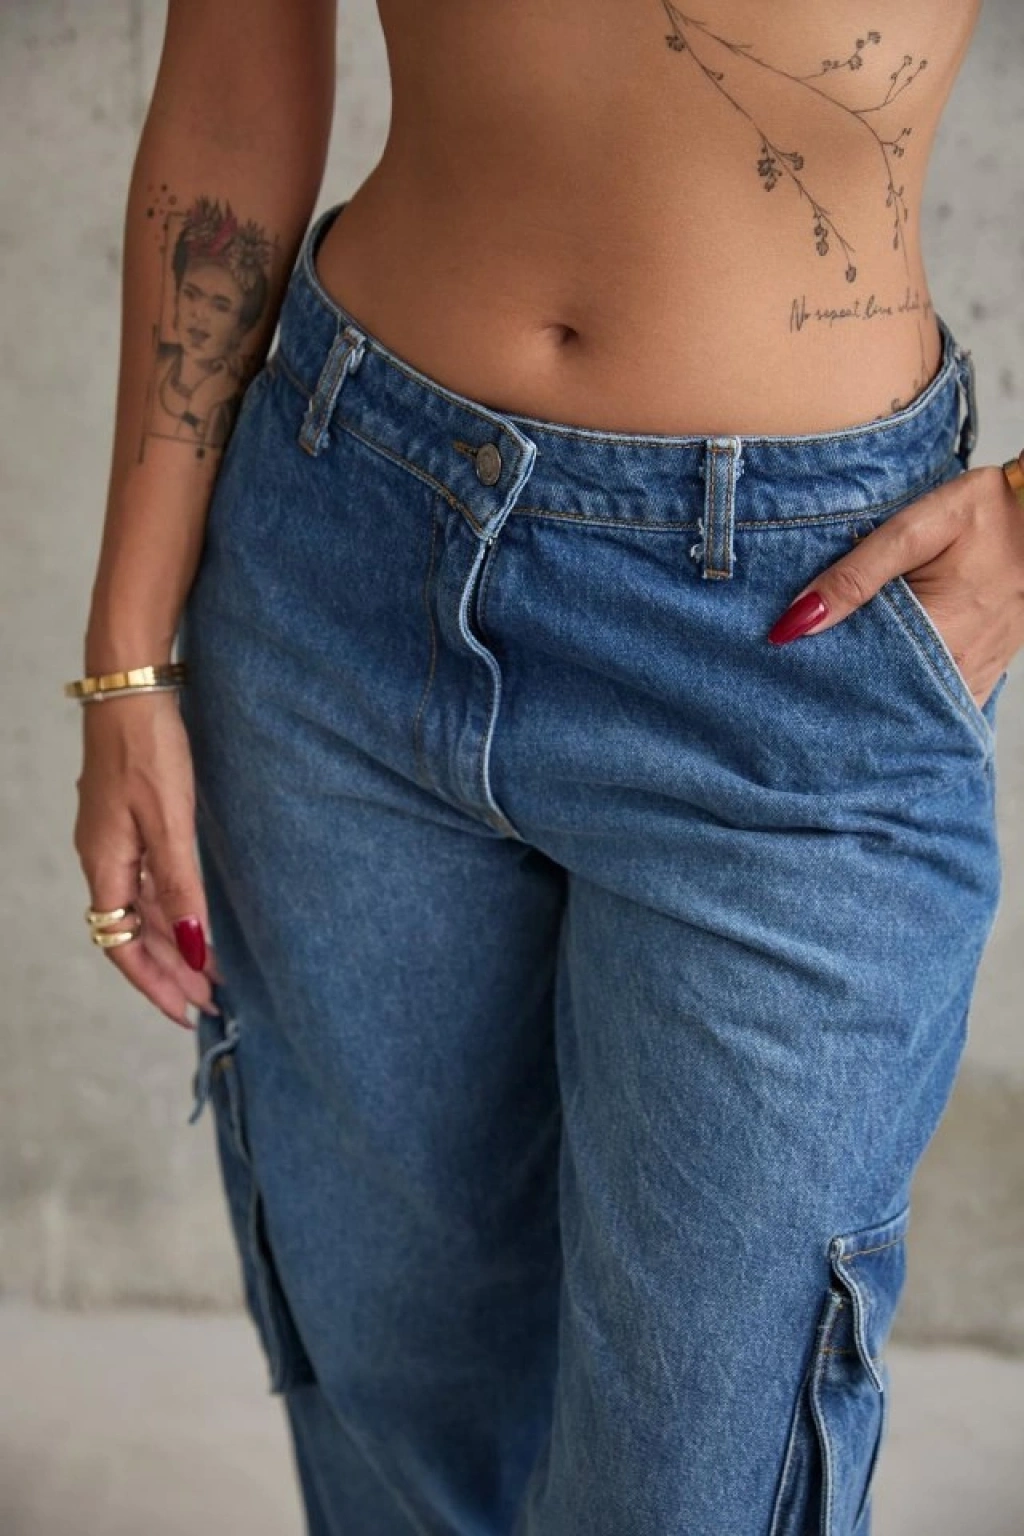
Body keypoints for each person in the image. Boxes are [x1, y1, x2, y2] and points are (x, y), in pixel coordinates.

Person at [67, 3, 1024, 1532]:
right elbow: (235, 71)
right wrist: (128, 651)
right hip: (346, 545)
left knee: (697, 1487)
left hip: (792, 630)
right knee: (406, 1428)